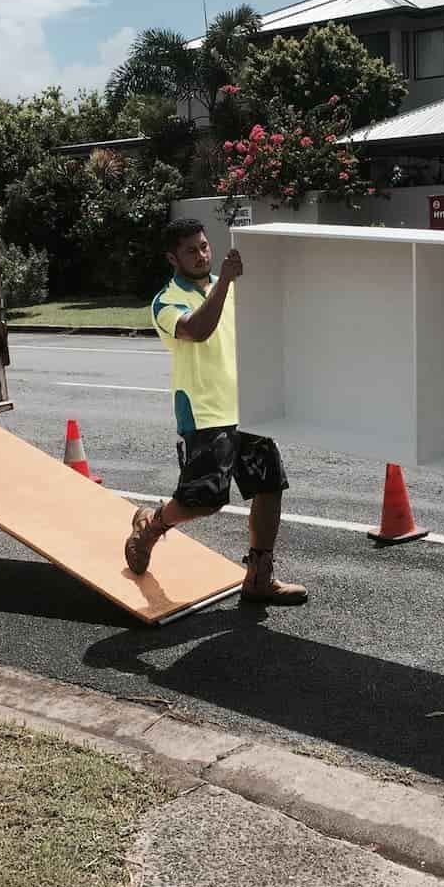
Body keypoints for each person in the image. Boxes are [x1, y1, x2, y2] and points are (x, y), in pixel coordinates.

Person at [123, 218, 308, 605]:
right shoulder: (166, 300)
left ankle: (259, 577)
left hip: (249, 407)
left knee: (269, 487)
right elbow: (198, 329)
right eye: (191, 250)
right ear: (172, 258)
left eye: (204, 246)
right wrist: (224, 281)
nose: (201, 254)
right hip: (206, 414)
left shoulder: (233, 291)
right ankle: (151, 526)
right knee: (203, 501)